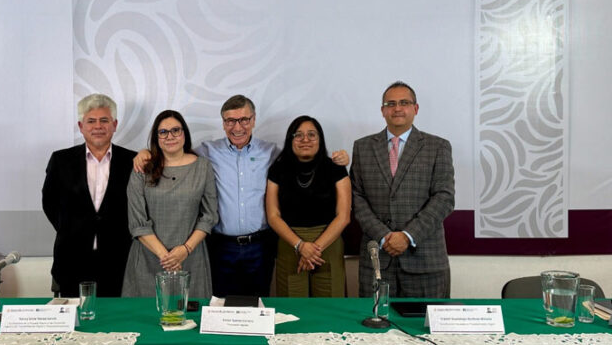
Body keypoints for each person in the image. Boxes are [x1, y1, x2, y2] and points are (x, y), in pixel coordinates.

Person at [134, 96, 349, 298]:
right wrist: (146, 153)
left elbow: (305, 156)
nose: (237, 127)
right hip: (221, 246)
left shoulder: (271, 152)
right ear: (223, 123)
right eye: (230, 121)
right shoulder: (207, 152)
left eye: (244, 120)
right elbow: (174, 152)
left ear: (253, 120)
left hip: (260, 245)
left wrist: (339, 158)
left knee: (258, 305)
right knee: (221, 307)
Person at [350, 81, 455, 298]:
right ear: (383, 110)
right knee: (375, 320)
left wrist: (408, 236)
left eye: (404, 103)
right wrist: (384, 236)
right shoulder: (363, 147)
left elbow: (444, 198)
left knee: (425, 321)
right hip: (378, 260)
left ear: (415, 108)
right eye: (391, 104)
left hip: (425, 261)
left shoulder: (438, 146)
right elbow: (357, 197)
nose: (397, 108)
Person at [42, 94, 137, 297]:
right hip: (71, 259)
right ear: (81, 126)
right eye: (91, 121)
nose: (98, 126)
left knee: (117, 315)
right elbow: (49, 202)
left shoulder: (133, 161)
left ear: (114, 125)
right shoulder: (61, 160)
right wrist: (71, 228)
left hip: (119, 260)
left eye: (104, 120)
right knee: (75, 315)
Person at [122, 110, 219, 297]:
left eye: (176, 130)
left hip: (191, 258)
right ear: (156, 137)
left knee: (191, 313)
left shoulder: (203, 166)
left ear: (184, 133)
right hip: (148, 260)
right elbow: (137, 221)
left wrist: (185, 250)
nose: (170, 136)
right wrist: (166, 258)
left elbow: (209, 216)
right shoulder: (142, 168)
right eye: (163, 132)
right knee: (145, 314)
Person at [266, 116, 351, 297]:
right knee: (292, 308)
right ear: (290, 139)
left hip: (328, 243)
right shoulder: (277, 169)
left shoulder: (335, 168)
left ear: (320, 139)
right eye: (298, 135)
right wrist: (300, 246)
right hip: (290, 244)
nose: (305, 139)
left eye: (312, 135)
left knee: (329, 307)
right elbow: (273, 215)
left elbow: (343, 216)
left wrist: (313, 249)